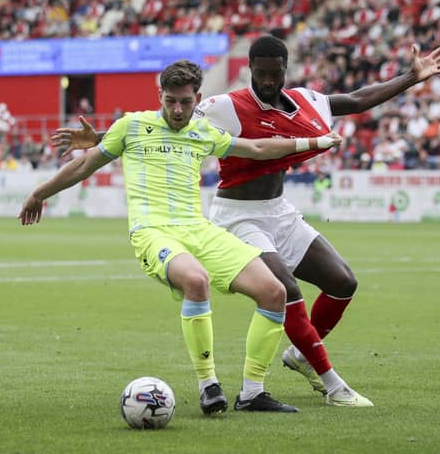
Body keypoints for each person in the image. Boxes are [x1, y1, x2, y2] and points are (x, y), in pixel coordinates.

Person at [52, 36, 440, 407]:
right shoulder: (226, 106)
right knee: (286, 289)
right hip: (237, 215)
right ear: (249, 69)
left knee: (343, 282)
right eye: (259, 73)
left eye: (273, 73)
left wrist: (410, 78)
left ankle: (300, 353)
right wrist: (102, 138)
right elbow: (171, 122)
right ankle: (332, 383)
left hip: (278, 210)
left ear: (284, 69)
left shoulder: (305, 101)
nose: (266, 80)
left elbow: (356, 98)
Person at [19, 60, 343, 415]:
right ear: (159, 95)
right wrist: (39, 193)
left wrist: (314, 141)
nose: (177, 109)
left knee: (274, 291)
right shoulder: (132, 125)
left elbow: (258, 149)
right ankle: (209, 385)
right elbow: (84, 164)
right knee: (196, 279)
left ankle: (252, 393)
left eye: (185, 102)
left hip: (198, 230)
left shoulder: (203, 133)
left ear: (197, 98)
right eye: (170, 100)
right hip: (153, 232)